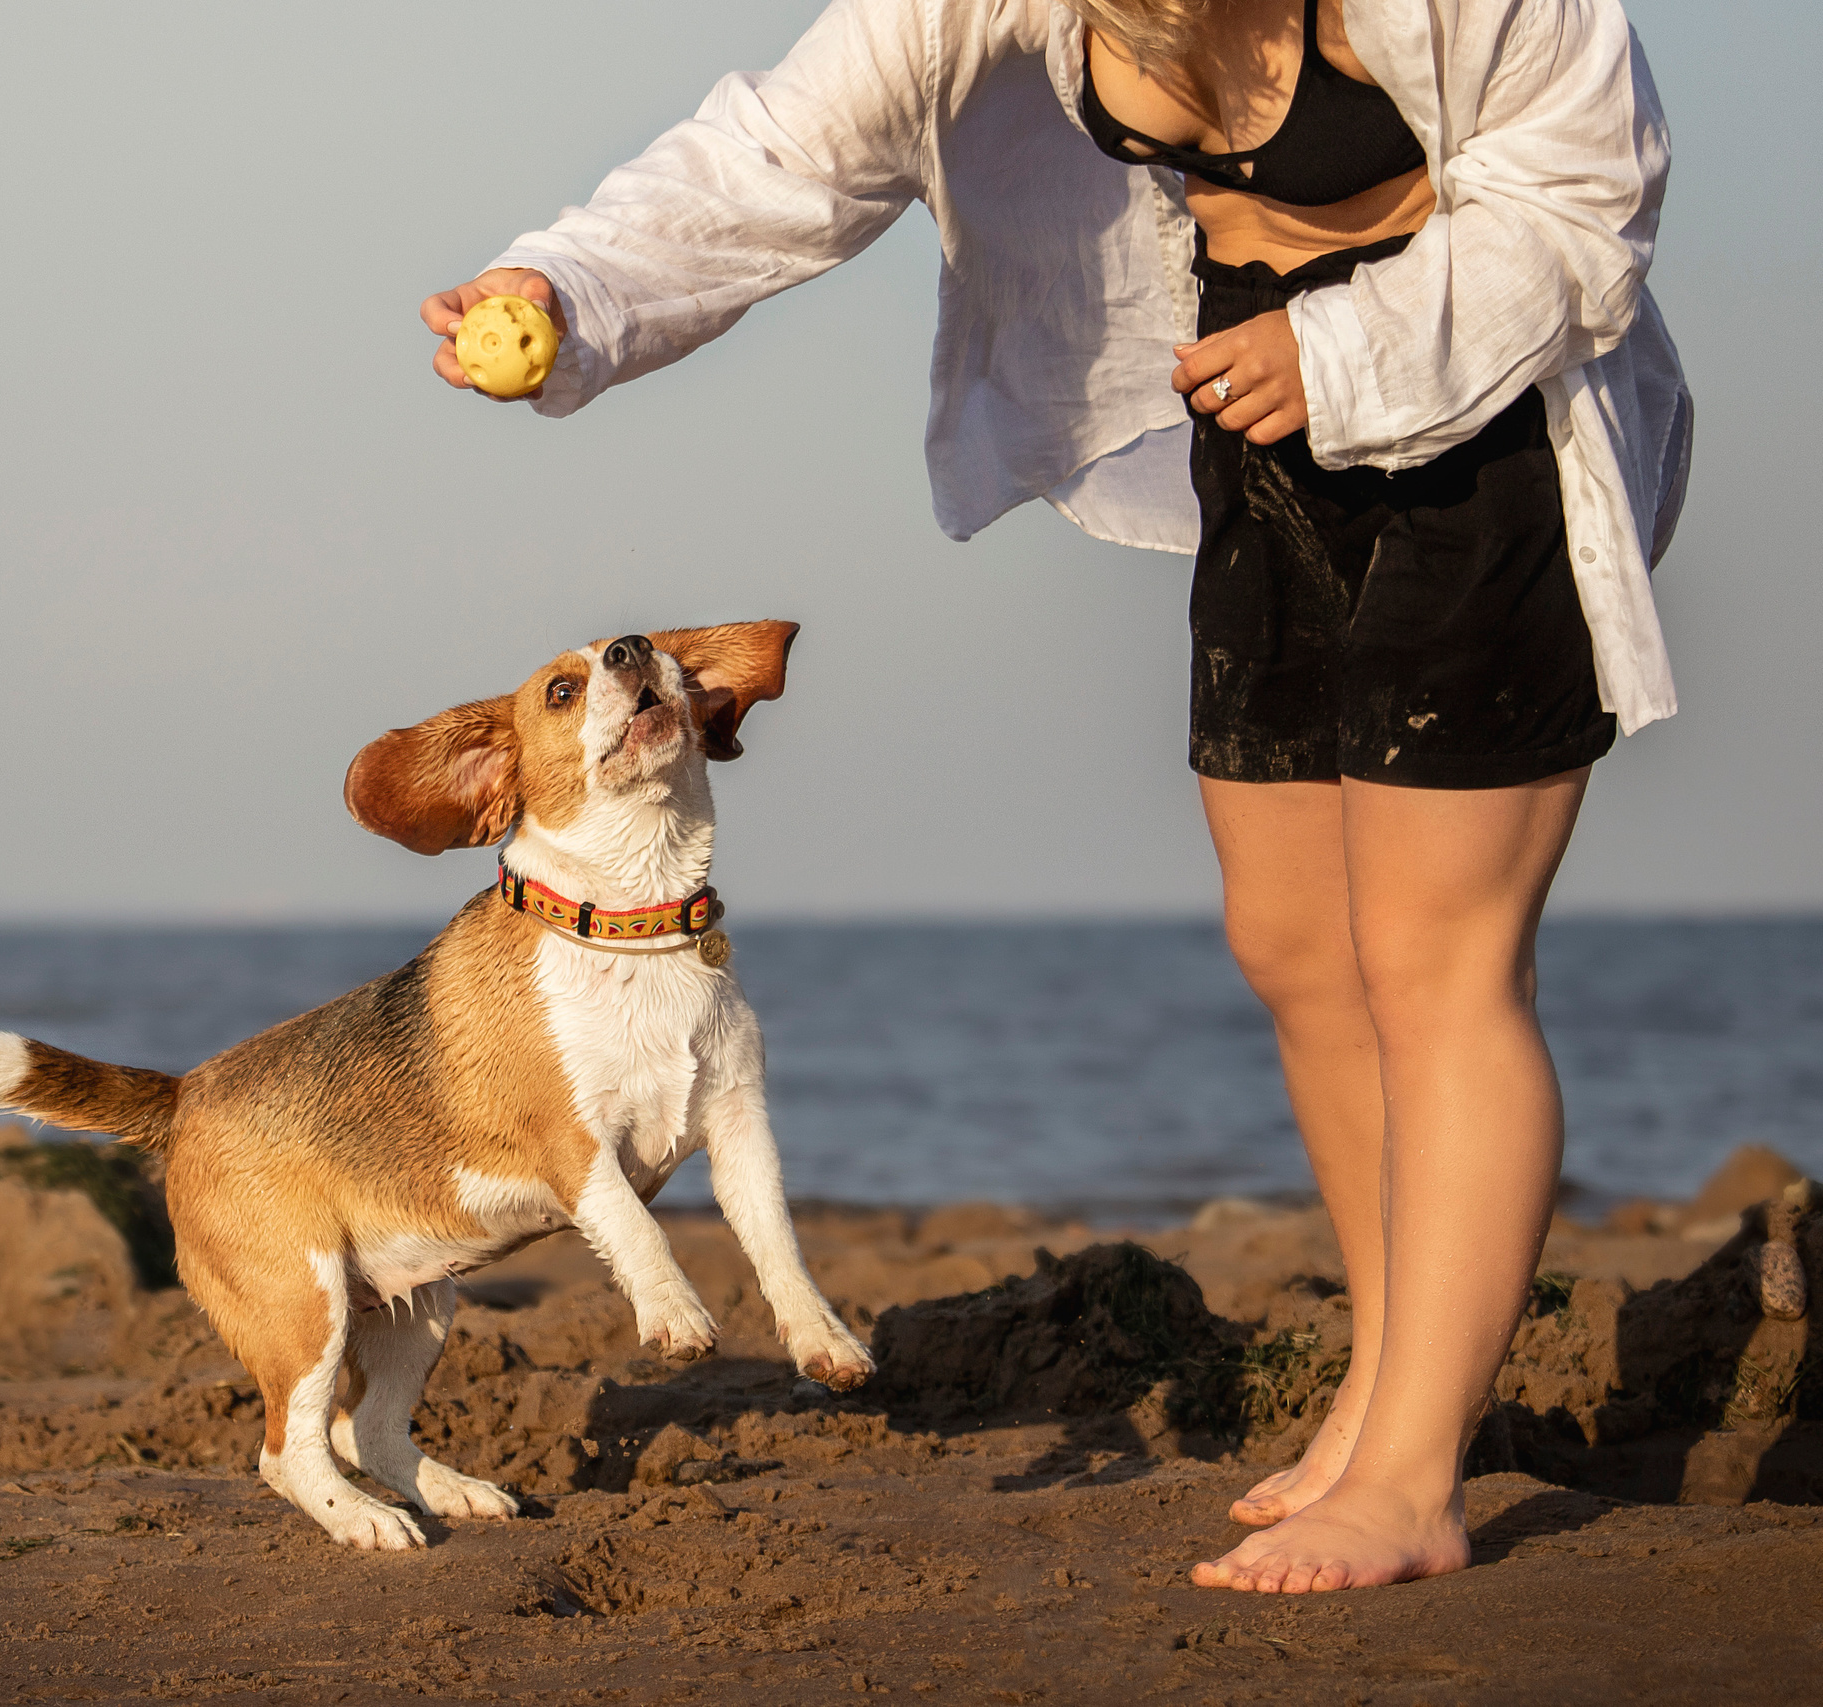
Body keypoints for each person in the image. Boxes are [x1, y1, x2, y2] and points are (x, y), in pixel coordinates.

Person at [418, 0, 1688, 1594]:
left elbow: (1589, 206)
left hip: (1482, 427)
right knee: (1298, 946)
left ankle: (1421, 1477)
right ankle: (1381, 1394)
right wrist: (568, 290)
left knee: (1440, 963)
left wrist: (1342, 349)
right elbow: (778, 152)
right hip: (1260, 426)